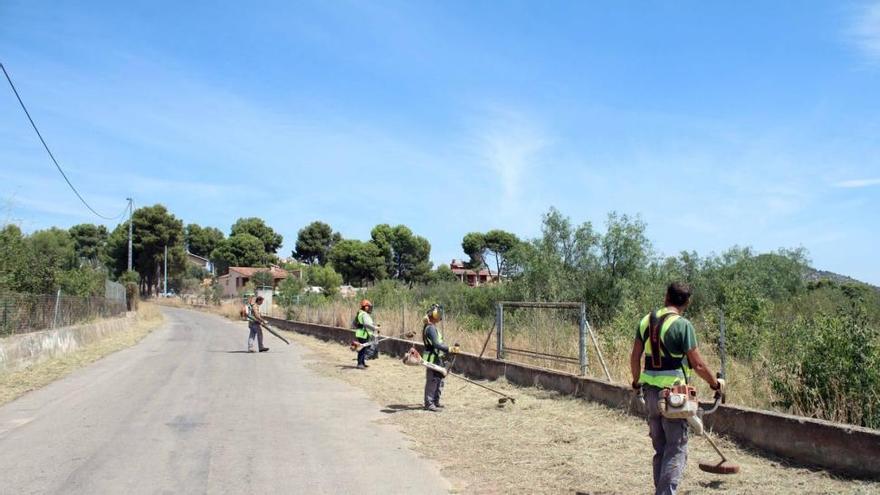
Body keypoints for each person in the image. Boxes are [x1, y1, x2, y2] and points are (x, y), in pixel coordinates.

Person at [630, 282, 726, 495]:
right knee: (676, 449)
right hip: (674, 397)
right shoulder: (683, 325)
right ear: (687, 302)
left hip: (651, 394)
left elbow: (635, 357)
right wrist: (715, 384)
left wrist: (637, 383)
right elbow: (698, 364)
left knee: (661, 449)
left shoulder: (645, 321)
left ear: (666, 296)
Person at [422, 304, 458, 412]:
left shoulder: (432, 327)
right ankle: (429, 403)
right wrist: (450, 349)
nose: (440, 315)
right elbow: (437, 344)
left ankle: (435, 401)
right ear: (434, 314)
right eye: (438, 313)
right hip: (433, 358)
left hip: (437, 357)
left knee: (439, 379)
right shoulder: (430, 328)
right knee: (432, 380)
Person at [354, 299, 380, 369]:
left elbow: (355, 323)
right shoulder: (364, 314)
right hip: (363, 334)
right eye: (369, 307)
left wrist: (372, 325)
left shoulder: (360, 313)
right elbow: (366, 324)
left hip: (361, 333)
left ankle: (362, 363)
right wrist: (374, 328)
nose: (370, 309)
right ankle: (359, 364)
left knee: (363, 348)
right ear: (365, 307)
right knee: (362, 349)